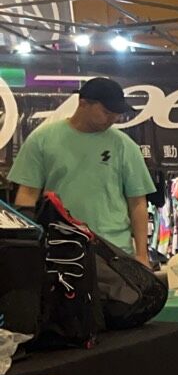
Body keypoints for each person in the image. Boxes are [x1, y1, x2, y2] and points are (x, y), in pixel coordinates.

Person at [7, 77, 154, 264]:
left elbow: (138, 202)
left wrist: (142, 255)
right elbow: (27, 195)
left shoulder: (124, 145)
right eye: (107, 112)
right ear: (83, 103)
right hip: (59, 247)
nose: (113, 119)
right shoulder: (42, 139)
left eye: (117, 114)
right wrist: (26, 245)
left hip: (113, 249)